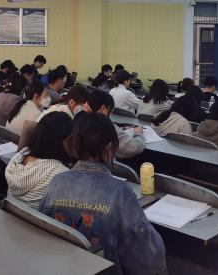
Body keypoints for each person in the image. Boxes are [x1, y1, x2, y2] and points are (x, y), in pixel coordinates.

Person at [39, 113, 166, 274]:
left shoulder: (56, 182)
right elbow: (150, 259)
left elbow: (42, 230)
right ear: (108, 148)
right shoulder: (120, 193)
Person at [5, 112, 72, 207]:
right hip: (33, 217)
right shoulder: (61, 174)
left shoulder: (19, 156)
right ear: (64, 140)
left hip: (7, 211)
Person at [84, 90, 145, 159]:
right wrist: (139, 133)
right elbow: (136, 147)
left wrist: (122, 129)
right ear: (103, 108)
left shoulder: (82, 120)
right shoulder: (107, 128)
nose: (111, 114)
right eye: (111, 110)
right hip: (106, 163)